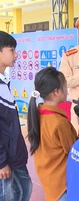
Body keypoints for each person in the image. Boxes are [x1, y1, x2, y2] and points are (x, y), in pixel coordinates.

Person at [27, 67, 79, 201]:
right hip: (63, 186)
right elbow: (76, 153)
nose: (68, 90)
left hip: (50, 183)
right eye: (65, 86)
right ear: (56, 92)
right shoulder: (59, 123)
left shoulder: (37, 114)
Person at [0, 31, 32, 201]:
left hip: (15, 155)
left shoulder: (4, 80)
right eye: (11, 50)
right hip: (5, 160)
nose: (16, 55)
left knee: (24, 189)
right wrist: (1, 162)